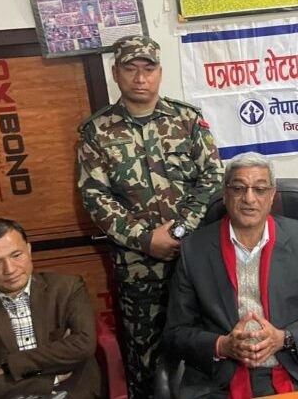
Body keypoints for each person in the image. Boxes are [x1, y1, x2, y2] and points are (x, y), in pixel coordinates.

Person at [76, 34, 223, 398]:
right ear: (116, 73)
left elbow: (212, 177)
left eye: (148, 68)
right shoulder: (97, 131)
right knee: (146, 359)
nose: (140, 78)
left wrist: (182, 229)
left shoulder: (187, 120)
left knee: (207, 341)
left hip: (195, 258)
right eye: (130, 69)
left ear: (159, 72)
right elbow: (95, 196)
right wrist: (146, 239)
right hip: (138, 267)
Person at [163, 152, 298, 398]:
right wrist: (222, 345)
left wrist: (285, 338)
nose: (249, 199)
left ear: (272, 195)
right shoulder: (194, 249)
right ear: (226, 193)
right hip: (219, 382)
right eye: (239, 188)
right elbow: (175, 333)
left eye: (260, 189)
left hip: (292, 373)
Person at [0, 218, 101, 398]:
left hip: (71, 392)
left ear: (29, 250)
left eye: (16, 255)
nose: (10, 270)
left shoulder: (67, 288)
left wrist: (10, 366)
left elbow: (83, 346)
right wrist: (51, 379)